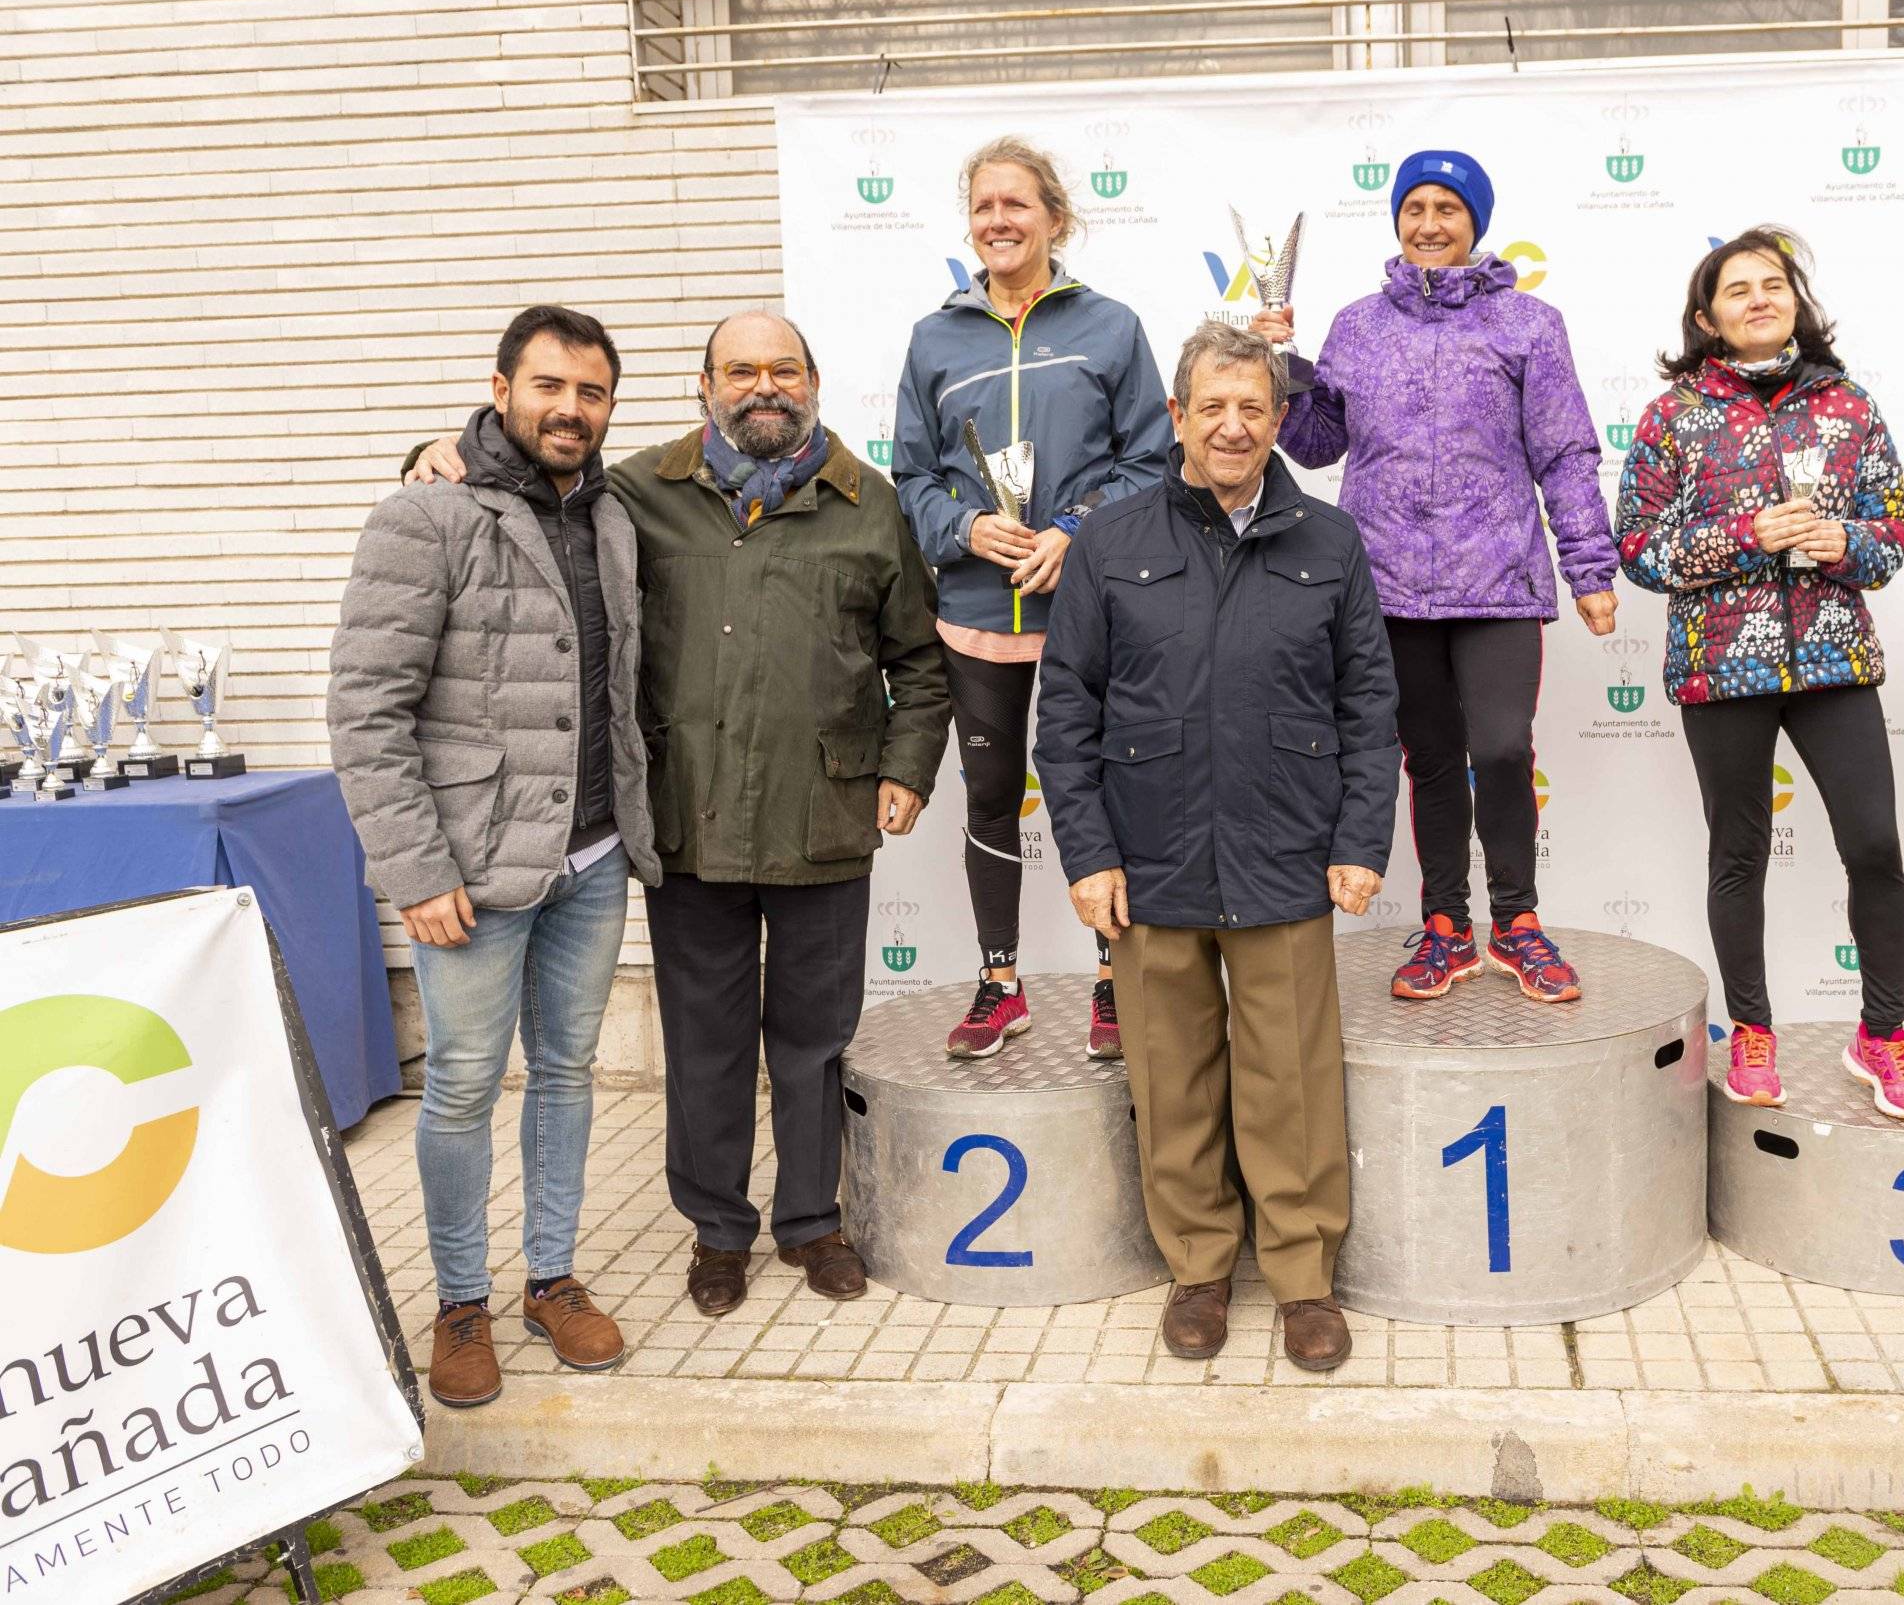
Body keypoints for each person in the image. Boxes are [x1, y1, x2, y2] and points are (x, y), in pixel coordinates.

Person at [402, 309, 952, 1321]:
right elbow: (530, 483)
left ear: (815, 381)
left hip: (822, 816)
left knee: (814, 1037)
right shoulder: (638, 491)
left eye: (784, 368)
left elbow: (918, 660)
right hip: (685, 818)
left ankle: (809, 1220)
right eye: (740, 370)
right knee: (702, 1040)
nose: (763, 386)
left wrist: (908, 765)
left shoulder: (870, 504)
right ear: (703, 386)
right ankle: (717, 1228)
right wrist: (434, 453)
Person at [1034, 320, 1398, 1372]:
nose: (1233, 425)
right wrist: (1088, 851)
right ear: (1177, 417)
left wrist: (1359, 836)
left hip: (1286, 848)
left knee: (1289, 1075)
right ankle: (1198, 1264)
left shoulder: (1328, 542)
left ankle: (1300, 1277)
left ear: (1279, 420)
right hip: (1147, 861)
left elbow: (1370, 705)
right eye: (1213, 406)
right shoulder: (1112, 539)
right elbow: (1067, 710)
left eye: (1253, 407)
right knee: (1173, 1072)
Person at [332, 305, 659, 1408]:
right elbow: (367, 709)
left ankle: (551, 1278)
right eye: (550, 386)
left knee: (566, 1074)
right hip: (468, 870)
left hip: (595, 855)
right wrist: (415, 870)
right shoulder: (425, 514)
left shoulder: (613, 514)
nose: (570, 408)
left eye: (593, 392)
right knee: (463, 1085)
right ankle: (460, 1299)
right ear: (501, 386)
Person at [1250, 149, 1615, 1005]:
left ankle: (1517, 922)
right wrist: (1285, 369)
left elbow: (1564, 453)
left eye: (1447, 207)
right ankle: (1445, 925)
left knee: (1501, 746)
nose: (1428, 223)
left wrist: (1588, 564)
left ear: (1475, 222)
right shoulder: (1358, 325)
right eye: (1413, 207)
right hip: (1387, 585)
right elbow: (1312, 445)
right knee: (1433, 759)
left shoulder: (1529, 324)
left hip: (1499, 580)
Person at [1613, 226, 1904, 1121]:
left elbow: (1894, 528)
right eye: (1737, 289)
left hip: (1835, 654)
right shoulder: (1672, 415)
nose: (1759, 298)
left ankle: (1883, 1034)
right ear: (1707, 318)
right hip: (1722, 666)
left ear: (1795, 299)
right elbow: (1637, 546)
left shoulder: (1850, 407)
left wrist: (1847, 543)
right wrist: (1739, 538)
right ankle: (1751, 1029)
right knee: (1739, 853)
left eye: (1773, 284)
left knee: (1874, 843)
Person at [893, 135, 1173, 1062]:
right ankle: (1000, 982)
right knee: (987, 798)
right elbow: (913, 476)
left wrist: (1076, 528)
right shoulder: (935, 338)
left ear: (1056, 217)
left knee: (1102, 788)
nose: (999, 221)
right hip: (978, 619)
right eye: (984, 207)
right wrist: (966, 529)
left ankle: (1112, 980)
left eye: (1017, 204)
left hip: (1091, 612)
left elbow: (1150, 460)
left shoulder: (1111, 327)